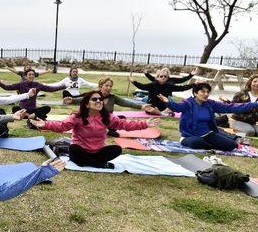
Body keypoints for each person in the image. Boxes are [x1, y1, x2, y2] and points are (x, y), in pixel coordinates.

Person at [32, 91, 160, 168]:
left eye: (100, 99)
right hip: (80, 151)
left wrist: (145, 124)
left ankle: (91, 162)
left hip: (98, 152)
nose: (99, 101)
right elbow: (62, 126)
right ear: (87, 103)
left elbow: (124, 125)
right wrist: (46, 124)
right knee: (73, 149)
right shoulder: (77, 116)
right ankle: (99, 164)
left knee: (116, 149)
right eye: (95, 99)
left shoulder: (107, 117)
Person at [158, 82, 258, 151]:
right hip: (190, 136)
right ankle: (210, 144)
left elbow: (231, 107)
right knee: (197, 142)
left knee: (232, 146)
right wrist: (168, 102)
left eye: (207, 92)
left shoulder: (210, 104)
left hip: (208, 134)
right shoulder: (188, 103)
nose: (206, 94)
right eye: (203, 91)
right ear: (195, 93)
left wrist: (254, 104)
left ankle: (212, 143)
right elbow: (176, 107)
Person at [64, 77, 156, 137]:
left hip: (107, 121)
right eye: (106, 85)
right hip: (93, 122)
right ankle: (105, 130)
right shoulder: (94, 95)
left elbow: (126, 103)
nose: (108, 88)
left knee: (121, 118)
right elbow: (82, 99)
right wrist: (72, 100)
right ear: (100, 86)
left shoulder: (113, 97)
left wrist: (142, 107)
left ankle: (107, 130)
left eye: (110, 86)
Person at [0, 69, 65, 123]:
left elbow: (51, 89)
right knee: (15, 108)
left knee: (47, 108)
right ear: (25, 76)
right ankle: (31, 116)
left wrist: (63, 86)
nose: (31, 76)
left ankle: (31, 116)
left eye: (33, 74)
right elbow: (8, 87)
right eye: (29, 74)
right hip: (23, 109)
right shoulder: (21, 84)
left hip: (33, 109)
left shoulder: (37, 85)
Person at [128, 69, 194, 116]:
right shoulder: (152, 85)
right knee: (149, 108)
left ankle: (161, 112)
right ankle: (162, 113)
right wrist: (134, 81)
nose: (163, 77)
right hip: (152, 104)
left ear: (167, 78)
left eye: (165, 76)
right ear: (157, 77)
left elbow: (182, 88)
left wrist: (194, 84)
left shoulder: (169, 86)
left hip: (163, 104)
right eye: (161, 76)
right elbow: (141, 86)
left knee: (172, 107)